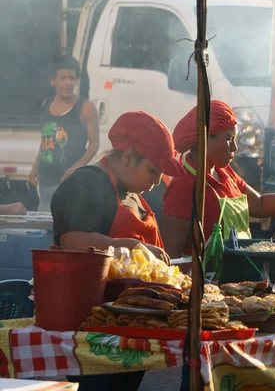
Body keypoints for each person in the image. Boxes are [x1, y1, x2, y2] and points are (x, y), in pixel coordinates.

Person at [50, 111, 184, 390]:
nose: (157, 181)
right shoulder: (85, 184)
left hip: (134, 321)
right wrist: (132, 245)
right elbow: (72, 241)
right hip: (96, 326)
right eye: (153, 171)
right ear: (128, 156)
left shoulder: (134, 193)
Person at [162, 100, 275, 259]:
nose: (235, 147)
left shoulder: (225, 172)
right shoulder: (184, 185)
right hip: (207, 282)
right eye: (228, 139)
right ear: (204, 139)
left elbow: (260, 204)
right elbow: (172, 252)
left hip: (239, 273)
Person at [29, 55, 99, 212]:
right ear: (52, 81)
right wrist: (36, 166)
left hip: (72, 183)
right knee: (45, 226)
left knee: (68, 225)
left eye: (72, 78)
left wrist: (76, 168)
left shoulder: (85, 108)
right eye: (63, 78)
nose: (68, 83)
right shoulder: (46, 105)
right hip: (47, 180)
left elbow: (94, 144)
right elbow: (45, 140)